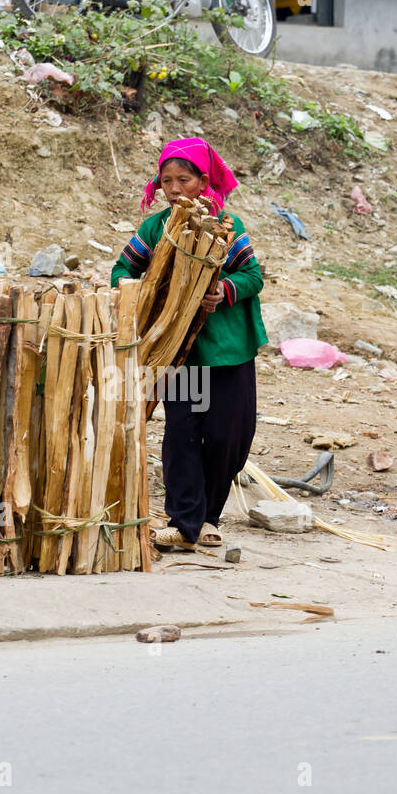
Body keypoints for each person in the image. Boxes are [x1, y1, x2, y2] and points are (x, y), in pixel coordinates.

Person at [110, 139, 267, 552]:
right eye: (167, 181)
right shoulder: (156, 227)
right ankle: (183, 522)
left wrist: (225, 291)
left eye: (184, 179)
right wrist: (140, 296)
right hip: (178, 353)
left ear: (203, 181)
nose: (176, 189)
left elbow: (253, 277)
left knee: (225, 437)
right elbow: (123, 268)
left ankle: (209, 517)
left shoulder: (225, 228)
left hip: (227, 350)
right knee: (181, 432)